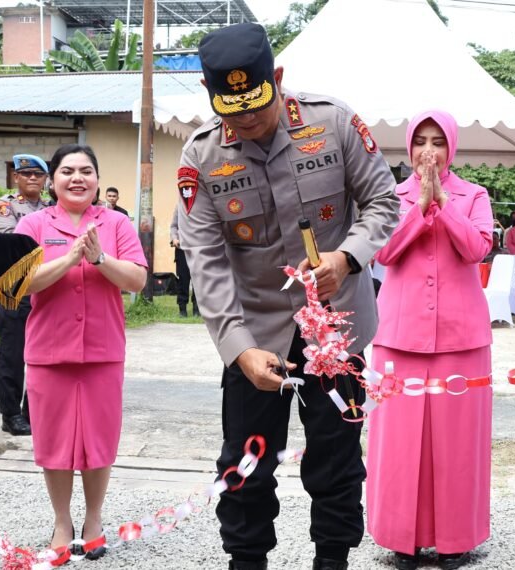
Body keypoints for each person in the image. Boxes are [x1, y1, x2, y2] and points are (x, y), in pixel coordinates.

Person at [179, 23, 399, 570]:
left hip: (336, 329)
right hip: (256, 335)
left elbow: (383, 204)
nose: (247, 120)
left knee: (337, 459)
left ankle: (333, 560)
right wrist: (237, 348)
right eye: (233, 110)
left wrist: (346, 257)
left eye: (256, 104)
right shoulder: (202, 155)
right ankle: (246, 561)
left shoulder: (335, 123)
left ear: (276, 80)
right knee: (245, 462)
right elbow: (205, 262)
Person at [365, 110, 494, 570]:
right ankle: (401, 537)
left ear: (451, 147)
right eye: (421, 141)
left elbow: (477, 249)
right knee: (400, 445)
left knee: (458, 443)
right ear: (409, 147)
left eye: (438, 142)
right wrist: (420, 208)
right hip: (399, 339)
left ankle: (457, 538)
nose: (429, 152)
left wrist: (446, 204)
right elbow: (383, 252)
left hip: (463, 342)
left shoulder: (474, 196)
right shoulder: (390, 197)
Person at [15, 143, 148, 560]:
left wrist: (99, 257)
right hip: (48, 350)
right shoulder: (33, 225)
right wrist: (72, 257)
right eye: (68, 171)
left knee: (98, 440)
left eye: (86, 171)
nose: (77, 178)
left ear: (97, 178)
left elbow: (138, 280)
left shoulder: (117, 223)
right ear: (52, 179)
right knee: (53, 442)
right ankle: (61, 521)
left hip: (103, 350)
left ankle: (93, 519)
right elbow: (22, 281)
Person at [0, 154, 53, 437]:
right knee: (12, 356)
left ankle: (31, 412)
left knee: (41, 355)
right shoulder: (5, 206)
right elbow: (14, 243)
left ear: (45, 179)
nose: (31, 179)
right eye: (25, 174)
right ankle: (11, 415)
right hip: (13, 291)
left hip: (45, 289)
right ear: (16, 177)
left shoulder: (54, 207)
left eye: (37, 175)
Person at [169, 208, 199, 317]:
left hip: (198, 249)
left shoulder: (201, 203)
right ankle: (182, 310)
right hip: (181, 249)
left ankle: (197, 309)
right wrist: (174, 238)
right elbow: (173, 226)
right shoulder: (179, 207)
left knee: (198, 280)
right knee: (183, 280)